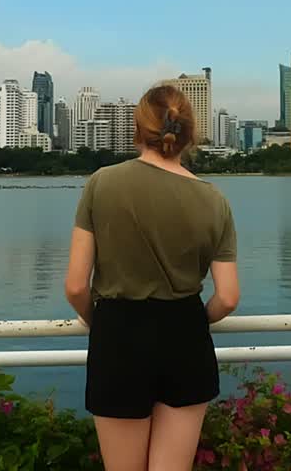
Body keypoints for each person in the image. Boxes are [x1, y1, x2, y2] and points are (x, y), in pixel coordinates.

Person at [65, 84, 241, 471]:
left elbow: (76, 286)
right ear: (190, 133)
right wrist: (193, 321)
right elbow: (227, 298)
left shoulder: (102, 183)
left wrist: (103, 324)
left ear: (137, 129)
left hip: (118, 334)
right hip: (186, 335)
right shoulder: (215, 200)